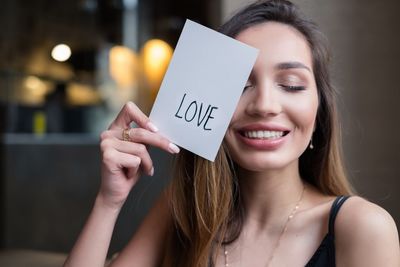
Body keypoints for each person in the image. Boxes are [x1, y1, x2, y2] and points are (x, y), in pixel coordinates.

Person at [63, 0, 400, 266]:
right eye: (240, 85)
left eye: (291, 85)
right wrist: (108, 202)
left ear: (319, 112)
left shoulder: (360, 227)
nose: (264, 105)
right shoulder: (183, 210)